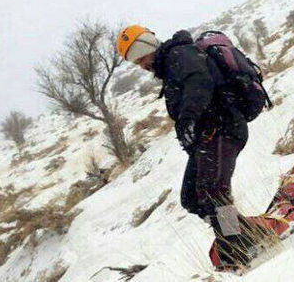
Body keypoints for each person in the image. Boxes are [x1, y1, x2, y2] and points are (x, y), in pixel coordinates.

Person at [116, 25, 273, 269]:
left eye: (141, 58)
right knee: (191, 198)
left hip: (224, 128)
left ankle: (240, 246)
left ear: (148, 47)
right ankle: (247, 234)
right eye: (136, 63)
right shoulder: (171, 65)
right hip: (208, 137)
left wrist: (188, 119)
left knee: (213, 191)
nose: (142, 66)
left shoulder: (179, 55)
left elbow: (200, 82)